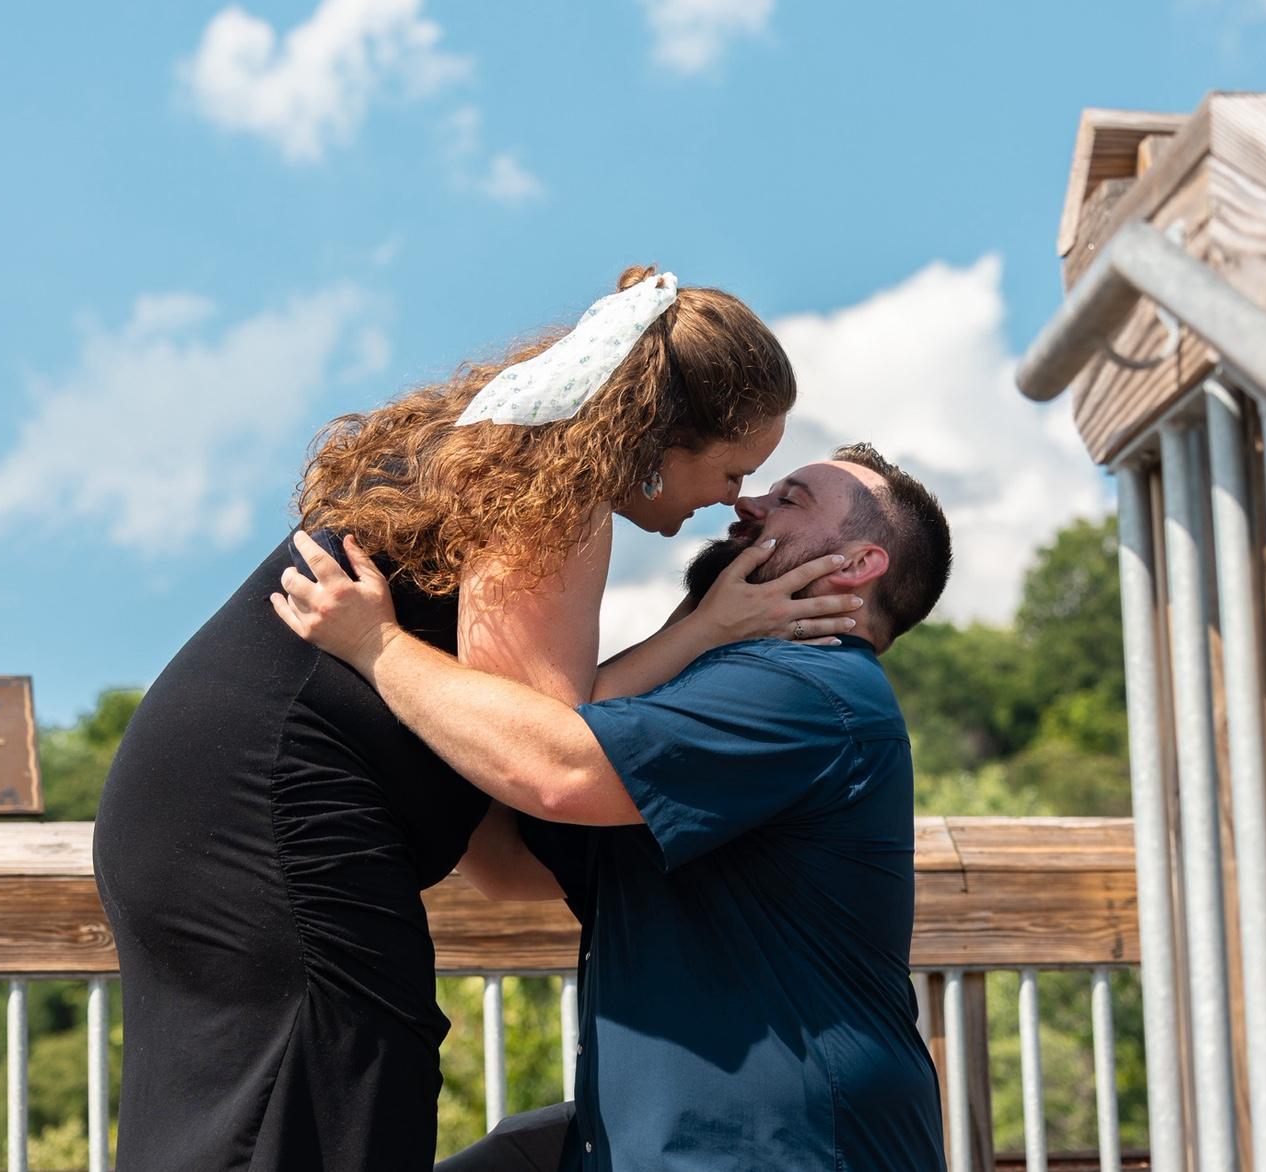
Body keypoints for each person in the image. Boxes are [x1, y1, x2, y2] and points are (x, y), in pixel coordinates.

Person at [93, 266, 862, 1172]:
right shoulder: (556, 494)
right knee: (338, 1083)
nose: (732, 499)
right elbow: (541, 748)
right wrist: (706, 631)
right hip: (267, 820)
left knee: (263, 1107)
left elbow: (501, 847)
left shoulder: (506, 454)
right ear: (661, 438)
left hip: (193, 813)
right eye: (732, 470)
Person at [275, 443, 954, 1172]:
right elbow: (511, 862)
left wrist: (377, 646)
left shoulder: (810, 689)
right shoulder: (718, 688)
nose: (748, 502)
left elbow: (556, 771)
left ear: (857, 565)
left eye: (790, 499)